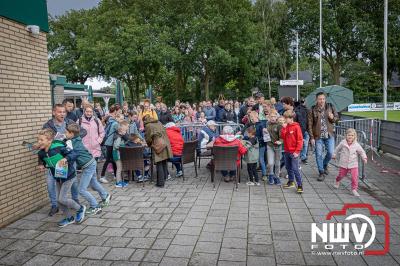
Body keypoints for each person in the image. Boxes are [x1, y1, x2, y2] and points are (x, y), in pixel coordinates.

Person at [37, 129, 86, 227]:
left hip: (68, 176)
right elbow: (41, 159)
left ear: (49, 140)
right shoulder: (41, 152)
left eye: (41, 140)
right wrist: (41, 165)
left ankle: (80, 208)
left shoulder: (58, 147)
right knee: (60, 201)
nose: (39, 142)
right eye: (38, 140)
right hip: (58, 177)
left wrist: (66, 158)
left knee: (62, 199)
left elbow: (74, 154)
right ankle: (69, 218)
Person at [42, 104, 84, 216]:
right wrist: (41, 162)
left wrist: (72, 138)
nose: (62, 114)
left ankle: (75, 201)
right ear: (54, 113)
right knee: (51, 183)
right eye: (59, 112)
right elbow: (44, 144)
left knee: (73, 180)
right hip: (54, 160)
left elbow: (82, 131)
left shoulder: (69, 122)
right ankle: (55, 205)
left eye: (64, 112)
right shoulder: (48, 125)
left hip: (68, 157)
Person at [65, 124, 111, 215]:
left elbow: (66, 151)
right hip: (91, 162)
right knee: (93, 182)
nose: (64, 133)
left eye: (66, 132)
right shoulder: (76, 138)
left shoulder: (70, 143)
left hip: (88, 166)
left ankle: (95, 206)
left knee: (81, 189)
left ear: (71, 133)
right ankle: (105, 195)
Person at [308, 92, 339, 181]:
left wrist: (332, 117)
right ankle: (321, 172)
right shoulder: (312, 109)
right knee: (319, 154)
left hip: (329, 135)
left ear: (325, 99)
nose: (321, 101)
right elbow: (310, 124)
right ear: (316, 100)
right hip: (318, 136)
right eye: (320, 99)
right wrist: (312, 137)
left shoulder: (330, 106)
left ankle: (324, 164)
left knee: (330, 153)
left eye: (323, 99)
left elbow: (336, 119)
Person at [332, 129, 367, 197]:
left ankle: (354, 189)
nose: (350, 137)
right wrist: (334, 154)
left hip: (353, 164)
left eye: (352, 135)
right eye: (348, 135)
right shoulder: (343, 143)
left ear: (354, 136)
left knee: (354, 177)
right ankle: (337, 180)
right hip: (344, 163)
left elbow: (362, 152)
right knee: (341, 175)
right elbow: (337, 149)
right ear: (346, 136)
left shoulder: (356, 145)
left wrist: (364, 158)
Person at [144, 115, 173, 188]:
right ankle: (164, 178)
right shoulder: (158, 122)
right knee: (163, 161)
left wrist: (150, 144)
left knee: (159, 162)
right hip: (165, 143)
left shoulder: (148, 125)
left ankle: (160, 183)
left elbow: (148, 138)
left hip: (158, 145)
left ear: (145, 120)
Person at [281, 110, 304, 193]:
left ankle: (300, 185)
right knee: (288, 167)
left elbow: (300, 140)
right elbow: (283, 136)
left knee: (295, 168)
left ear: (291, 118)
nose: (285, 120)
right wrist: (284, 129)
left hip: (294, 152)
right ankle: (291, 181)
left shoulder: (296, 127)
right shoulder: (286, 126)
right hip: (287, 151)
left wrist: (297, 151)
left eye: (286, 118)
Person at [100, 105, 119, 183]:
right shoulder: (114, 122)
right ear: (115, 111)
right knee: (108, 159)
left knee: (113, 159)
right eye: (118, 111)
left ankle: (115, 175)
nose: (119, 113)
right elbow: (121, 131)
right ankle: (102, 176)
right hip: (110, 143)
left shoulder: (110, 120)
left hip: (108, 142)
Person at [266, 109, 282, 185]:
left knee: (277, 163)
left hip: (278, 147)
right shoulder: (267, 124)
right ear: (269, 117)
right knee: (270, 163)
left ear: (276, 117)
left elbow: (282, 136)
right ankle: (271, 175)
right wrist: (264, 131)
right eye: (271, 116)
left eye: (274, 116)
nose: (272, 118)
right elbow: (265, 134)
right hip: (270, 145)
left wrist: (280, 141)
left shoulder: (279, 125)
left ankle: (277, 177)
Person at [113, 121, 130, 188]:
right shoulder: (118, 137)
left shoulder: (119, 136)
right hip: (117, 154)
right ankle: (118, 182)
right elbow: (117, 146)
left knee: (120, 168)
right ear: (121, 131)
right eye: (125, 131)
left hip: (117, 154)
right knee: (119, 168)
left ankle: (119, 181)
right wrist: (123, 144)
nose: (125, 132)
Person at [294, 99, 309, 164]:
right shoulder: (307, 110)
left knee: (302, 144)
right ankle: (303, 158)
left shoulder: (296, 110)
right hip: (305, 129)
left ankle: (302, 157)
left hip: (302, 130)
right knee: (305, 145)